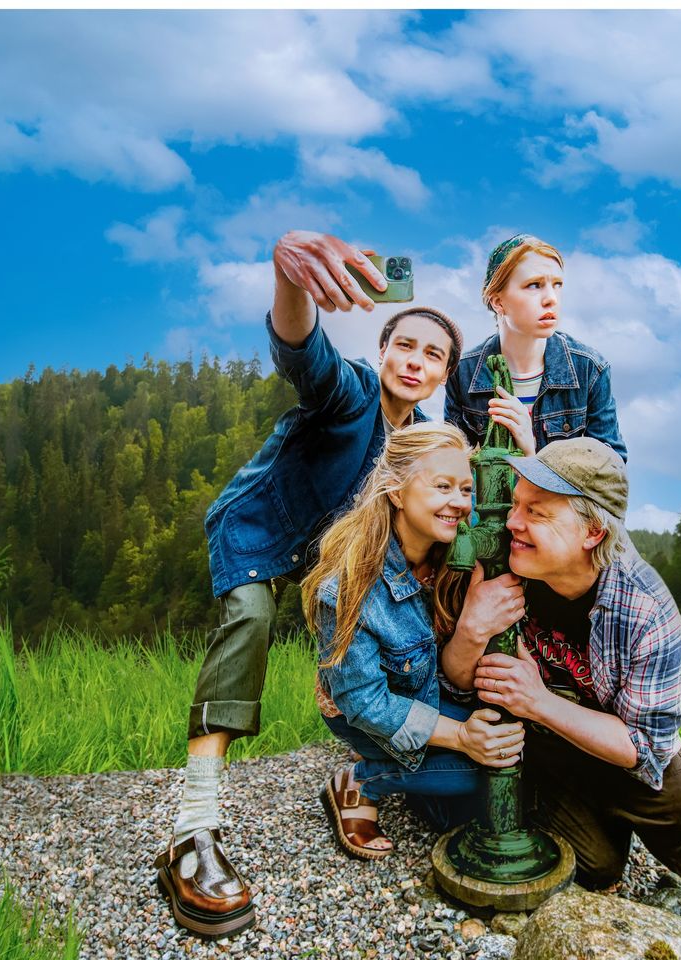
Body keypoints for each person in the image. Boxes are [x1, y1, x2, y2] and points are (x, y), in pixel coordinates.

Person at [154, 230, 465, 938]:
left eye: (433, 356)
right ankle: (194, 831)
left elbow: (385, 548)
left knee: (408, 616)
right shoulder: (351, 394)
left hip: (324, 565)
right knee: (251, 623)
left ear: (444, 375)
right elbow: (303, 353)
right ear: (382, 352)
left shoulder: (419, 443)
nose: (416, 362)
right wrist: (288, 277)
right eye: (406, 347)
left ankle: (361, 775)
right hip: (258, 537)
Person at [439, 437, 681, 936]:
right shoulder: (508, 564)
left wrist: (538, 700)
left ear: (593, 532)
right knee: (595, 869)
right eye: (516, 505)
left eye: (537, 513)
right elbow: (462, 682)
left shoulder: (646, 609)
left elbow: (642, 746)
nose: (512, 523)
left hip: (614, 750)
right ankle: (601, 833)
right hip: (546, 752)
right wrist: (470, 629)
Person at [303, 421, 526, 858]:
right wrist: (462, 737)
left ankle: (429, 786)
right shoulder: (347, 585)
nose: (459, 503)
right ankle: (362, 779)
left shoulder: (458, 544)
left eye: (466, 489)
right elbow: (367, 703)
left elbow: (523, 513)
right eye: (442, 486)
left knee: (505, 764)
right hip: (367, 711)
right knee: (479, 773)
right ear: (397, 492)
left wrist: (527, 449)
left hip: (432, 691)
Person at [444, 234, 627, 461]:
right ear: (498, 301)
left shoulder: (589, 369)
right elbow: (452, 470)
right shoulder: (462, 372)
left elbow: (610, 474)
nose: (551, 298)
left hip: (561, 499)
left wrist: (532, 458)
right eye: (534, 285)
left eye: (557, 285)